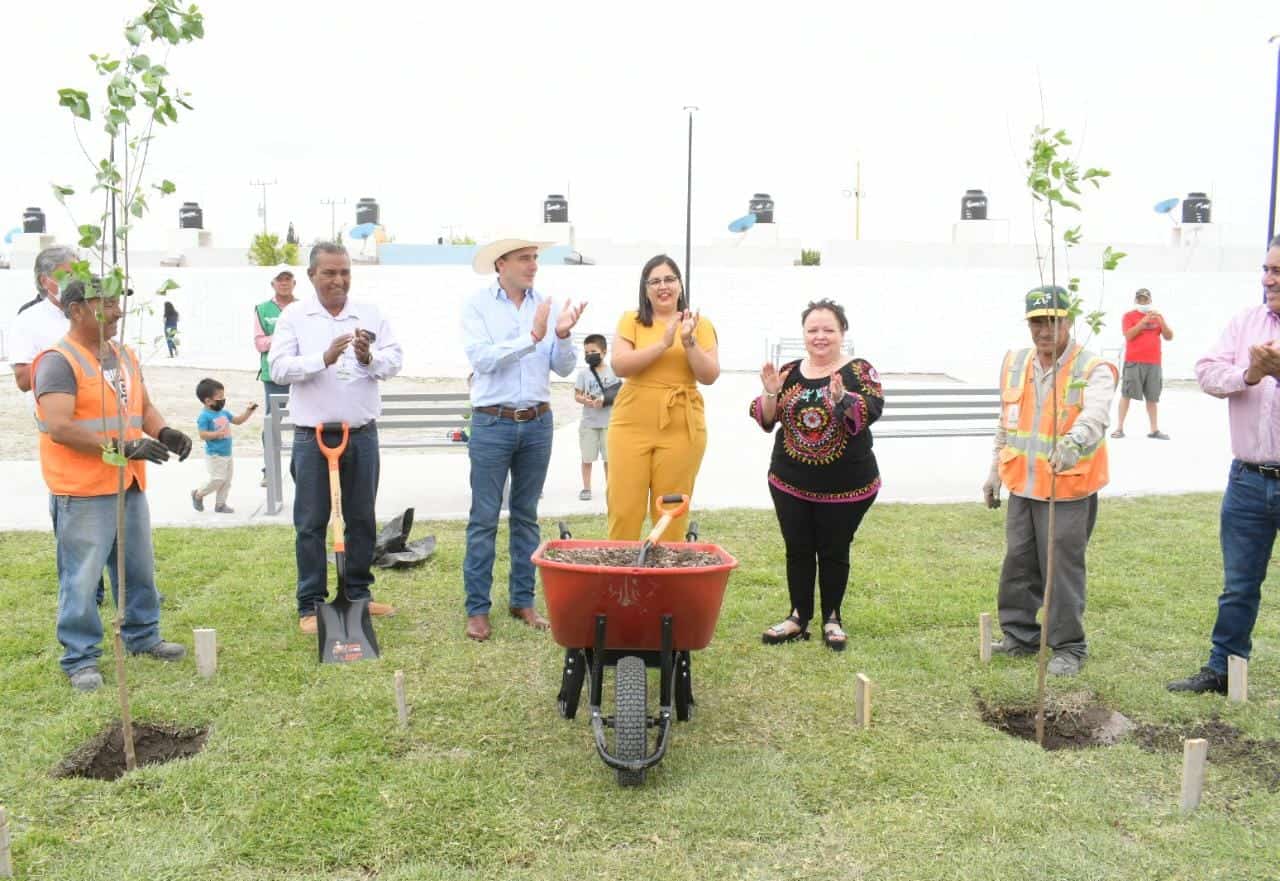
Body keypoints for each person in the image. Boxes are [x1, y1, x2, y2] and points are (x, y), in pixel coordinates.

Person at [31, 278, 193, 691]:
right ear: (76, 310)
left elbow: (142, 406)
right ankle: (81, 658)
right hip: (83, 489)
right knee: (82, 577)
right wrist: (124, 444)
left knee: (138, 567)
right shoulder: (57, 361)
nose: (118, 310)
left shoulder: (123, 355)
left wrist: (165, 430)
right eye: (105, 302)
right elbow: (59, 426)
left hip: (128, 482)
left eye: (118, 300)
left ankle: (143, 635)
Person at [268, 243, 403, 635]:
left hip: (361, 435)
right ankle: (311, 604)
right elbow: (277, 367)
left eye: (344, 272)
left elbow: (394, 359)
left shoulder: (370, 313)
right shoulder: (295, 316)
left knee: (361, 518)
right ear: (312, 275)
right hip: (313, 438)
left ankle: (358, 594)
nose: (338, 280)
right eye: (329, 272)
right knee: (311, 522)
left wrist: (367, 358)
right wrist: (323, 359)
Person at [982, 286, 1117, 677]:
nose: (1044, 330)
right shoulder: (1015, 363)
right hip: (1022, 485)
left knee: (1061, 568)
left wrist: (1075, 441)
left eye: (1053, 321)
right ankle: (1020, 637)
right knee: (1019, 563)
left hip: (1068, 488)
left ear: (1069, 321)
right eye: (1037, 322)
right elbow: (1006, 423)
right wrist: (994, 470)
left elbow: (1096, 415)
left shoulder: (1091, 368)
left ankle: (1068, 647)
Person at [1167, 236, 1280, 695]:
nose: (1268, 279)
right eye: (1266, 268)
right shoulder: (1245, 323)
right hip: (1249, 481)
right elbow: (1206, 373)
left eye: (1278, 271)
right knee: (1238, 585)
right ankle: (1222, 668)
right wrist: (1251, 374)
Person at [460, 237, 586, 641]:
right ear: (501, 264)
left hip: (537, 422)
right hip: (492, 423)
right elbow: (481, 359)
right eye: (524, 258)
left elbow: (563, 369)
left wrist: (563, 336)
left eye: (535, 258)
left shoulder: (546, 304)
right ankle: (477, 609)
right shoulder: (477, 305)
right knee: (483, 519)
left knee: (526, 515)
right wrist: (530, 337)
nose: (533, 265)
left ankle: (522, 600)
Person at [750, 299, 881, 650]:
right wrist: (770, 391)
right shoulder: (790, 371)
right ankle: (797, 617)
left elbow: (866, 415)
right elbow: (765, 420)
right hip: (789, 482)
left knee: (835, 550)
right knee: (798, 549)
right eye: (813, 330)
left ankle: (832, 618)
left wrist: (843, 399)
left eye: (828, 330)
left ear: (842, 333)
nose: (820, 336)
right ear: (804, 334)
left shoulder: (859, 371)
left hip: (846, 487)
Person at [607, 255, 719, 542]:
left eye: (669, 279)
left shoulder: (699, 324)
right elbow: (620, 365)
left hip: (682, 426)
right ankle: (622, 580)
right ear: (645, 290)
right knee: (624, 508)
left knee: (670, 512)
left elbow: (709, 375)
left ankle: (666, 581)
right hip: (630, 424)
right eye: (655, 281)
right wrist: (663, 344)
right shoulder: (631, 320)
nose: (663, 286)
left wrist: (688, 342)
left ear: (680, 285)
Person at [10, 245, 77, 406]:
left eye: (78, 275)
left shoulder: (93, 312)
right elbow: (23, 380)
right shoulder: (27, 320)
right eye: (66, 276)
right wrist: (71, 359)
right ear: (44, 280)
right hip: (55, 414)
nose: (74, 282)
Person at [254, 268, 298, 486]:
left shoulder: (303, 308)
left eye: (288, 279)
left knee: (306, 419)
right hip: (274, 376)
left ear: (294, 283)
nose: (284, 283)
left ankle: (303, 467)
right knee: (272, 424)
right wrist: (283, 337)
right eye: (280, 279)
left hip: (300, 374)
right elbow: (260, 343)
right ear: (273, 283)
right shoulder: (262, 309)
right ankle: (269, 469)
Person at [1111, 287, 1173, 440]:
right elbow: (1129, 335)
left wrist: (1161, 322)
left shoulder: (1158, 316)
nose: (1143, 301)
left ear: (1150, 300)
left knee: (1153, 397)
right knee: (1126, 394)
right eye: (1140, 299)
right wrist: (1143, 322)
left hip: (1154, 363)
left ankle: (1154, 430)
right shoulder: (1129, 316)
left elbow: (1169, 336)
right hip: (1134, 361)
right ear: (1135, 300)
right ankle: (1119, 428)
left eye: (1145, 299)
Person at [191, 377, 258, 514]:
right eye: (220, 397)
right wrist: (216, 434)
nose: (223, 400)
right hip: (215, 454)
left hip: (227, 453)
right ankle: (198, 494)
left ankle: (220, 505)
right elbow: (202, 435)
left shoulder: (224, 412)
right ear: (208, 401)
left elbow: (238, 421)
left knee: (227, 481)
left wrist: (249, 411)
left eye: (223, 396)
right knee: (218, 479)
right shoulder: (204, 416)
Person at [574, 333, 620, 501]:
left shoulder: (614, 371)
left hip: (610, 423)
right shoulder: (583, 374)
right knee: (587, 458)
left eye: (593, 351)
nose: (589, 355)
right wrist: (584, 400)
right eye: (586, 353)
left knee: (609, 459)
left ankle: (611, 488)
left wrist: (604, 400)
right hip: (589, 423)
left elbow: (620, 393)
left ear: (604, 351)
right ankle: (586, 488)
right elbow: (577, 395)